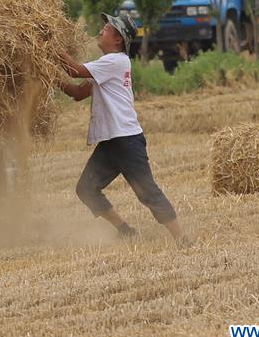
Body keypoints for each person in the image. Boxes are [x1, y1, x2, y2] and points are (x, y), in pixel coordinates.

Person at [59, 13, 191, 247]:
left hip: (126, 140)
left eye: (106, 28)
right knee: (86, 189)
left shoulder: (116, 61)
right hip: (112, 141)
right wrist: (45, 75)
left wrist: (49, 46)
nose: (101, 30)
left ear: (118, 39)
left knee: (147, 191)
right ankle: (125, 230)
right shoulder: (105, 68)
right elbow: (77, 93)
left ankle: (182, 239)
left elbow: (74, 70)